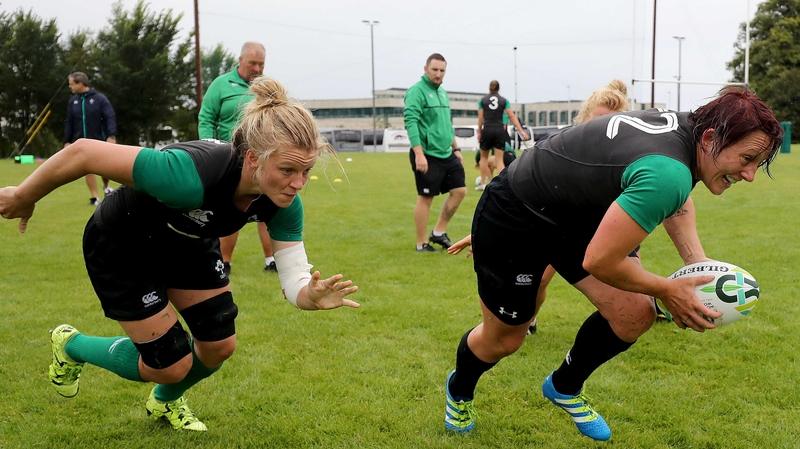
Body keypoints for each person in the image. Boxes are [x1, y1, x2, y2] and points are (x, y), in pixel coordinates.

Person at [0, 77, 360, 432]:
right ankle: (71, 344)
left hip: (187, 240)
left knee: (219, 346)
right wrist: (23, 196)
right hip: (124, 244)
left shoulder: (284, 204)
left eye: (306, 171)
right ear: (253, 157)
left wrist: (308, 296)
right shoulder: (186, 177)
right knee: (171, 364)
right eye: (287, 170)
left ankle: (166, 399)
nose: (298, 183)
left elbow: (294, 275)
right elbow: (83, 152)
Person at [442, 87, 783, 441]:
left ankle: (564, 387)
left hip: (570, 214)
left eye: (757, 164)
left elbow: (675, 198)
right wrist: (668, 289)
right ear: (711, 138)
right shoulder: (670, 170)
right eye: (746, 159)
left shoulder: (690, 135)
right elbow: (602, 261)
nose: (750, 175)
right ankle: (459, 391)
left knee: (634, 312)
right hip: (517, 217)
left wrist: (696, 263)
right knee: (505, 340)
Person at [454, 79, 633, 333]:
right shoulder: (557, 150)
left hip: (597, 232)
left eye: (611, 122)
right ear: (583, 119)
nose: (603, 129)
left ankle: (642, 309)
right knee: (538, 281)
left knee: (628, 298)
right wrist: (484, 234)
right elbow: (518, 197)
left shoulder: (626, 160)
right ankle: (529, 320)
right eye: (599, 120)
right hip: (555, 230)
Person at [198, 41, 276, 274]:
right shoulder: (221, 85)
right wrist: (208, 149)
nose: (257, 68)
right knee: (231, 209)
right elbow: (206, 118)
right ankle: (225, 262)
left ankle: (272, 260)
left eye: (261, 64)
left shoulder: (267, 86)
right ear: (240, 61)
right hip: (228, 158)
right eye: (252, 63)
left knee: (267, 207)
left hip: (262, 157)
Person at [404, 53, 466, 252]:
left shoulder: (443, 92)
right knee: (426, 197)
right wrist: (419, 154)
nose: (438, 74)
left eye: (442, 71)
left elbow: (447, 124)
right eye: (435, 70)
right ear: (425, 69)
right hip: (426, 154)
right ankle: (421, 243)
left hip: (446, 153)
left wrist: (455, 148)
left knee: (460, 191)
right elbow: (411, 122)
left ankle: (439, 232)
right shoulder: (416, 91)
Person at [63, 71, 117, 206]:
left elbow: (110, 117)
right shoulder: (73, 101)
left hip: (100, 139)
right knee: (87, 168)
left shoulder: (100, 99)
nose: (70, 87)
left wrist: (111, 135)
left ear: (80, 84)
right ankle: (95, 197)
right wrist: (67, 141)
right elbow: (69, 122)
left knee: (105, 168)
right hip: (81, 141)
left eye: (71, 84)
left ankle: (106, 186)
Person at [476, 81, 528, 190]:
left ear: (489, 88)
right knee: (499, 160)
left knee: (483, 158)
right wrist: (522, 131)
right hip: (499, 130)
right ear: (499, 89)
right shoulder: (504, 101)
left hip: (488, 129)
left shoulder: (482, 101)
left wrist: (480, 132)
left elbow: (481, 118)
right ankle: (502, 184)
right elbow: (512, 116)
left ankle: (483, 183)